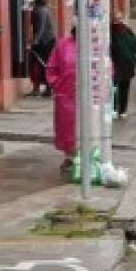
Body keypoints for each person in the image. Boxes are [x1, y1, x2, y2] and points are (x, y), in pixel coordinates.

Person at [44, 29, 79, 171]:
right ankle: (69, 157)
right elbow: (51, 67)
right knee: (66, 127)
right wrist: (57, 84)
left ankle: (89, 157)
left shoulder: (95, 44)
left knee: (88, 125)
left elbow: (107, 66)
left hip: (90, 95)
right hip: (66, 94)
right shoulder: (63, 44)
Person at [110, 14, 136, 120]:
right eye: (116, 19)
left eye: (118, 19)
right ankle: (117, 110)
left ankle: (120, 110)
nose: (118, 21)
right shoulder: (115, 32)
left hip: (125, 65)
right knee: (117, 88)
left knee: (120, 87)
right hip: (118, 64)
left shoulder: (125, 31)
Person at [26, 0, 56, 96]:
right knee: (36, 64)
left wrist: (34, 42)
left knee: (44, 65)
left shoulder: (41, 11)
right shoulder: (37, 10)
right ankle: (37, 87)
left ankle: (48, 88)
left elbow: (40, 29)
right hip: (41, 41)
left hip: (46, 42)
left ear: (33, 2)